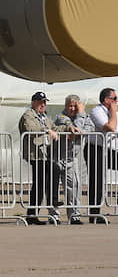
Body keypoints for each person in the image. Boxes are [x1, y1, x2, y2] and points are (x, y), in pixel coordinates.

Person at [18, 91, 68, 225]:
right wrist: (47, 131)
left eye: (45, 102)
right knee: (42, 181)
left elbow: (55, 128)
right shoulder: (29, 115)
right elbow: (30, 128)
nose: (43, 104)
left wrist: (69, 128)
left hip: (44, 154)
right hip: (35, 154)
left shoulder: (43, 116)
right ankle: (42, 206)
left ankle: (34, 213)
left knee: (43, 180)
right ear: (33, 102)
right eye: (40, 102)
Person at [52, 95, 93, 224]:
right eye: (70, 105)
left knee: (74, 187)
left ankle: (74, 216)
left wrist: (79, 124)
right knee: (54, 189)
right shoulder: (61, 117)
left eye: (75, 106)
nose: (73, 108)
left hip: (72, 158)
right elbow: (76, 129)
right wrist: (79, 119)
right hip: (57, 158)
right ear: (65, 106)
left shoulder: (83, 117)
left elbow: (88, 129)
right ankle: (54, 216)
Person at [86, 87, 118, 223]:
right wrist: (113, 112)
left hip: (111, 149)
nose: (117, 101)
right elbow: (110, 127)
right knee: (97, 181)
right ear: (107, 100)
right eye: (115, 99)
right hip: (96, 148)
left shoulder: (114, 112)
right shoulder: (97, 111)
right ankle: (95, 214)